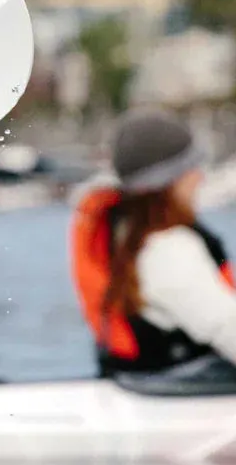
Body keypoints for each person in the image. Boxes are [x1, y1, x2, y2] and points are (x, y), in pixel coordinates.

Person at [70, 107, 236, 381]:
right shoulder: (168, 249)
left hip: (146, 384)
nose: (199, 177)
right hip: (181, 402)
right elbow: (227, 328)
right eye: (190, 168)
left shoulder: (126, 236)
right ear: (166, 182)